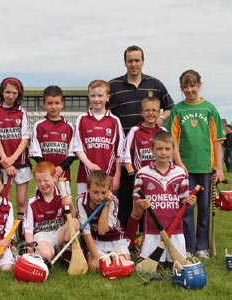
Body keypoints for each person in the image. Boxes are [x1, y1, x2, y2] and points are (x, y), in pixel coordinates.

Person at [108, 45, 174, 229]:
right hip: (126, 150)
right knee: (127, 200)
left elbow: (170, 107)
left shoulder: (156, 84)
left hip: (151, 151)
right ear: (125, 62)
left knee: (151, 200)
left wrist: (160, 118)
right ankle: (124, 237)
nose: (134, 64)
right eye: (130, 60)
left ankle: (149, 234)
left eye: (137, 60)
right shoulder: (114, 86)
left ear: (143, 61)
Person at [168, 69, 225, 259]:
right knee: (186, 207)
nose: (190, 89)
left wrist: (219, 167)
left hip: (206, 168)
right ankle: (188, 245)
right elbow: (172, 140)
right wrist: (178, 163)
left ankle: (202, 246)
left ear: (200, 85)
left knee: (204, 207)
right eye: (186, 86)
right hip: (185, 168)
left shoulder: (210, 108)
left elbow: (217, 139)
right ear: (181, 88)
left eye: (193, 85)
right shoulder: (177, 110)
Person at [132, 132, 197, 264]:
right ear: (152, 150)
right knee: (151, 264)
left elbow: (183, 199)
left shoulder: (180, 173)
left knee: (177, 263)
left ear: (173, 151)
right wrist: (140, 202)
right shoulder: (143, 173)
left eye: (167, 149)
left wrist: (188, 201)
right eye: (159, 149)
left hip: (175, 228)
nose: (163, 153)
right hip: (152, 228)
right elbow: (137, 200)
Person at [0, 77, 31, 238]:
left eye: (14, 93)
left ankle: (21, 237)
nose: (10, 96)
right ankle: (5, 235)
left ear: (18, 94)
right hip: (3, 163)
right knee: (3, 200)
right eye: (7, 92)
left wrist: (13, 158)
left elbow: (25, 137)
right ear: (2, 92)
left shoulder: (22, 111)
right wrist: (6, 161)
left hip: (21, 163)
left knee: (21, 201)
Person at [121, 97, 167, 245]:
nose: (151, 113)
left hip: (160, 180)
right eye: (147, 110)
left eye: (154, 110)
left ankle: (150, 241)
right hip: (141, 180)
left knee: (155, 212)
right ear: (141, 113)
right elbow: (126, 156)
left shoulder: (163, 131)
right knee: (137, 211)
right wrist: (133, 176)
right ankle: (129, 242)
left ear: (159, 113)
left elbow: (169, 155)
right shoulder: (135, 131)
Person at [73, 79, 124, 195]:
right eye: (93, 95)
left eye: (100, 95)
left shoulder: (114, 121)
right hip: (85, 176)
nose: (96, 99)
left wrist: (117, 176)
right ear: (88, 97)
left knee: (107, 210)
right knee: (85, 210)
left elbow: (119, 152)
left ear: (108, 97)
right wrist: (89, 164)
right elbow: (78, 147)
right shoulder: (82, 119)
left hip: (108, 177)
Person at [23, 161, 79, 260]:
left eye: (45, 180)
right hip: (42, 236)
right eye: (39, 181)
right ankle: (50, 252)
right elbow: (28, 229)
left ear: (55, 178)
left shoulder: (62, 195)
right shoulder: (32, 202)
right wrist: (30, 246)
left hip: (59, 234)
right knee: (46, 255)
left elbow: (72, 217)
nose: (43, 184)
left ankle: (66, 254)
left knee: (75, 222)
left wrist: (70, 205)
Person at [76, 170, 131, 271]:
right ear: (88, 189)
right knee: (97, 266)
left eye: (103, 193)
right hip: (96, 240)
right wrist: (96, 256)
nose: (99, 197)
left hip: (115, 238)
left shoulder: (113, 201)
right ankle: (102, 256)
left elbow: (102, 230)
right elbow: (86, 231)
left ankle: (113, 255)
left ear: (109, 190)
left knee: (122, 264)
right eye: (95, 192)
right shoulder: (81, 201)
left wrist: (106, 206)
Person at [29, 85, 75, 193]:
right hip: (43, 176)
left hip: (62, 176)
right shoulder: (38, 126)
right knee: (43, 203)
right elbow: (36, 152)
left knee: (64, 204)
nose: (54, 106)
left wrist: (61, 167)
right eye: (50, 103)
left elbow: (72, 153)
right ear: (44, 104)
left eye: (57, 103)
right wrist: (47, 169)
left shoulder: (70, 127)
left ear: (62, 104)